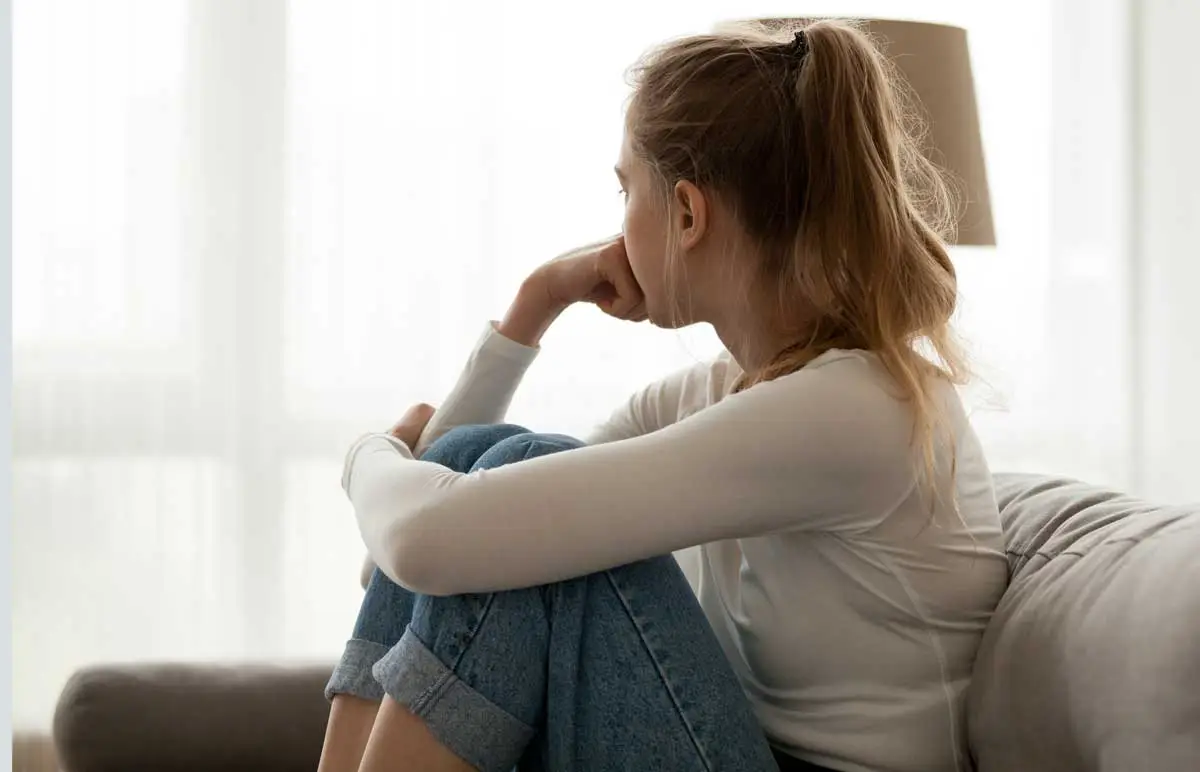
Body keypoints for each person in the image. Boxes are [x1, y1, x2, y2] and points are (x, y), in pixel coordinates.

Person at [317, 18, 1008, 772]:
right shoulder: (727, 392)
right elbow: (423, 545)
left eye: (625, 190)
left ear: (686, 214)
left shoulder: (852, 411)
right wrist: (534, 306)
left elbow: (423, 541)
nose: (616, 225)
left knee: (519, 496)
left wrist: (366, 458)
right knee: (500, 469)